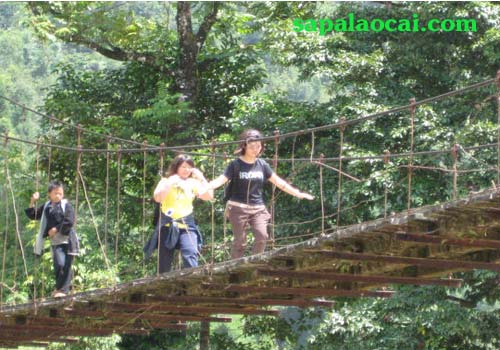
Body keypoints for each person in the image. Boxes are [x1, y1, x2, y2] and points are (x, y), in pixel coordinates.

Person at [208, 129, 314, 259]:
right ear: (244, 146)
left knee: (262, 237)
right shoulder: (235, 164)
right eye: (252, 146)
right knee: (240, 242)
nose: (255, 149)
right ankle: (233, 268)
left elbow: (279, 182)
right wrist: (205, 187)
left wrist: (298, 193)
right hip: (237, 208)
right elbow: (221, 179)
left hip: (257, 208)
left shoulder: (262, 165)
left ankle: (253, 263)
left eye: (258, 146)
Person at [144, 154, 213, 273]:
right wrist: (170, 184)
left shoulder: (193, 183)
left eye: (189, 167)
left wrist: (201, 178)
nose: (186, 170)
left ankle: (193, 280)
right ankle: (163, 285)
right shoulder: (166, 181)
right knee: (164, 262)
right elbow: (158, 198)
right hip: (167, 226)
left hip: (186, 225)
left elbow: (209, 196)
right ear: (176, 167)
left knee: (190, 253)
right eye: (183, 167)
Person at [25, 181, 79, 298]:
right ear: (49, 194)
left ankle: (62, 291)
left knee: (66, 265)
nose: (58, 196)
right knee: (59, 265)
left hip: (68, 240)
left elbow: (70, 220)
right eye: (55, 193)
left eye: (60, 193)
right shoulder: (47, 207)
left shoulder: (66, 206)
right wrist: (32, 202)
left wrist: (56, 229)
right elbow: (33, 215)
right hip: (56, 241)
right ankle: (59, 289)